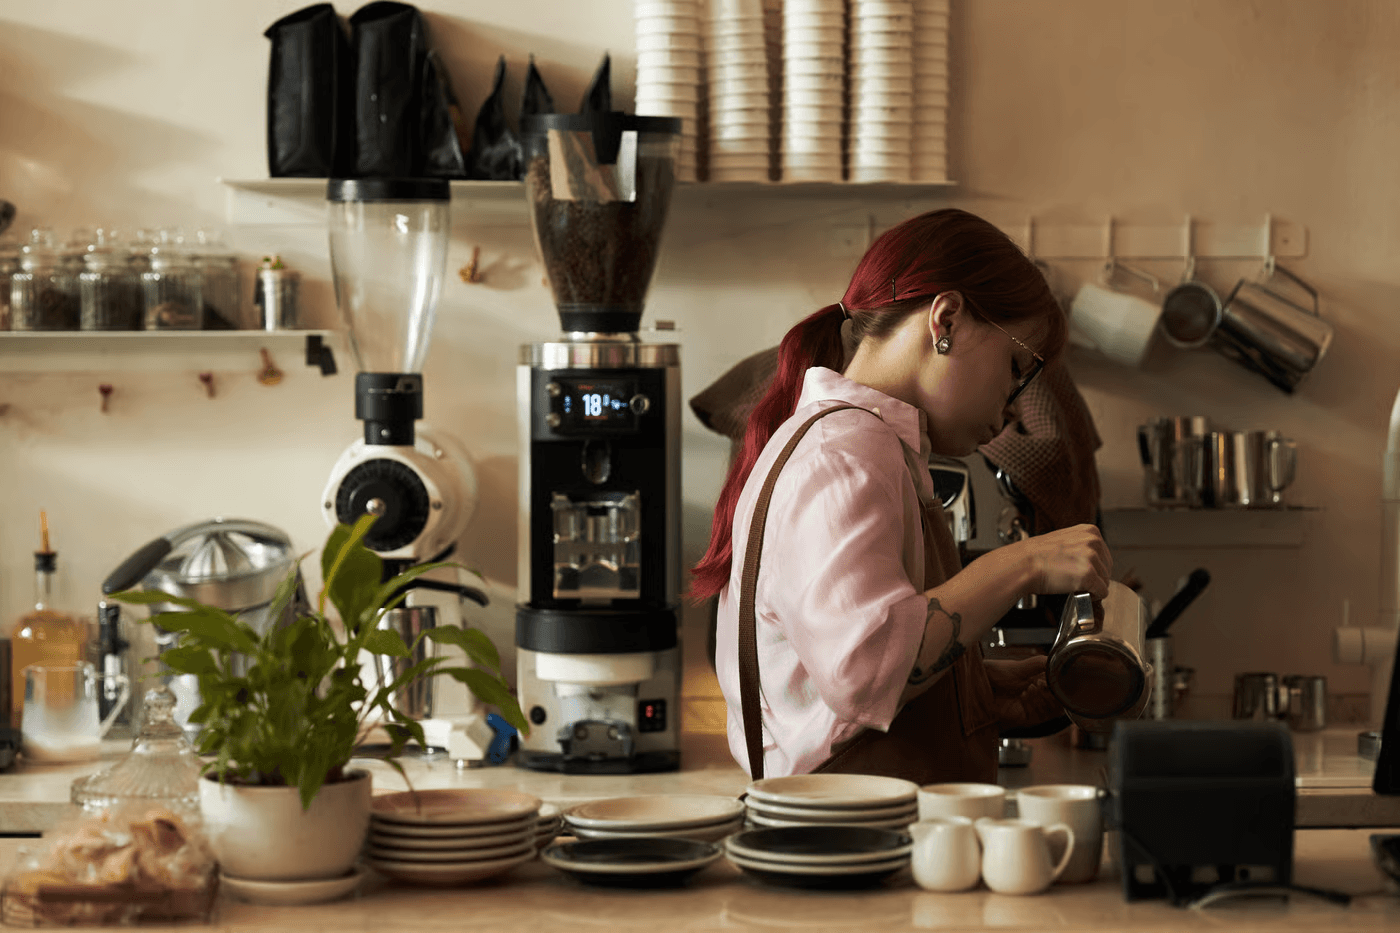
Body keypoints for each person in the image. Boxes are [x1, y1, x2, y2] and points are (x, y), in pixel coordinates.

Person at [689, 208, 1113, 784]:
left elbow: (843, 677)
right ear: (947, 319)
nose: (1013, 401)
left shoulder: (869, 446)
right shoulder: (844, 454)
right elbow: (865, 672)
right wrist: (1023, 564)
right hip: (846, 830)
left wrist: (972, 689)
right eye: (1016, 366)